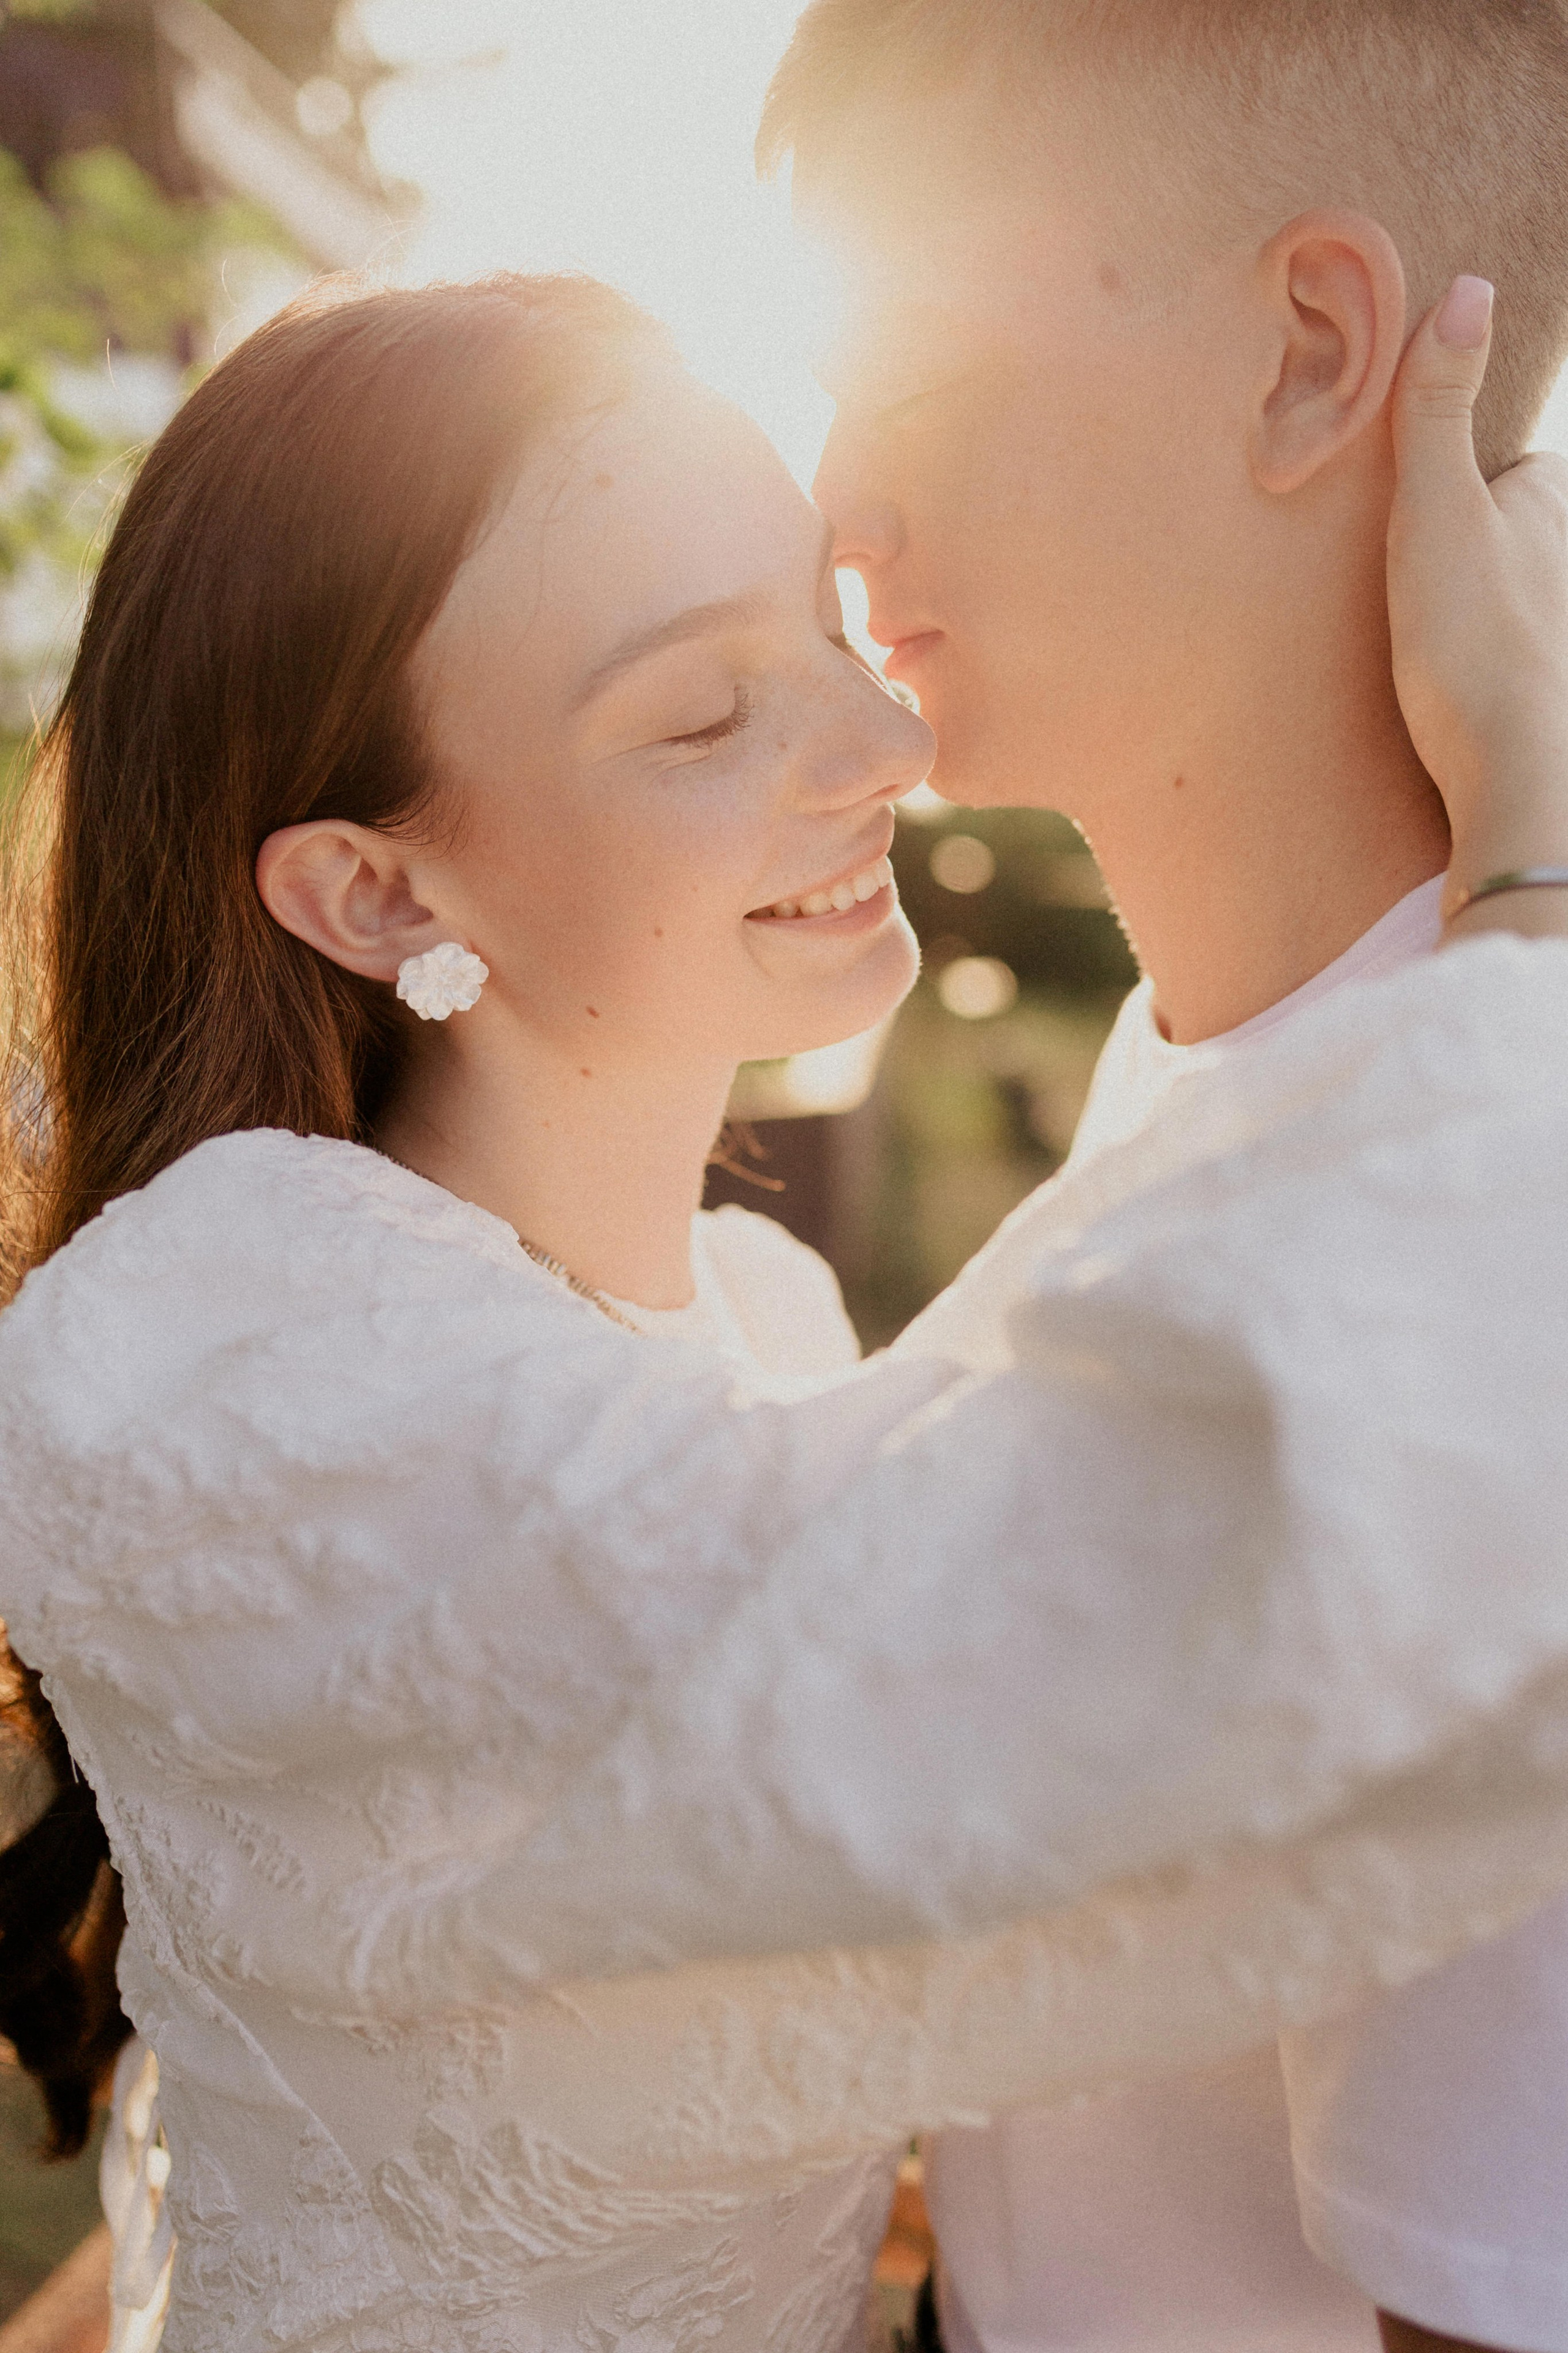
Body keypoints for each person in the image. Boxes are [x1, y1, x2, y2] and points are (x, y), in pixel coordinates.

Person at [1, 271, 1568, 2353]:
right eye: (705, 713)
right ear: (381, 892)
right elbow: (1207, 1576)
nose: (889, 743)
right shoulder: (218, 1355)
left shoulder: (769, 1311)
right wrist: (1535, 862)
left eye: (826, 639)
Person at [756, 1, 1568, 2348]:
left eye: (906, 366)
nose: (833, 506)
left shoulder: (1493, 1268)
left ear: (1316, 352)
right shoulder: (1225, 1043)